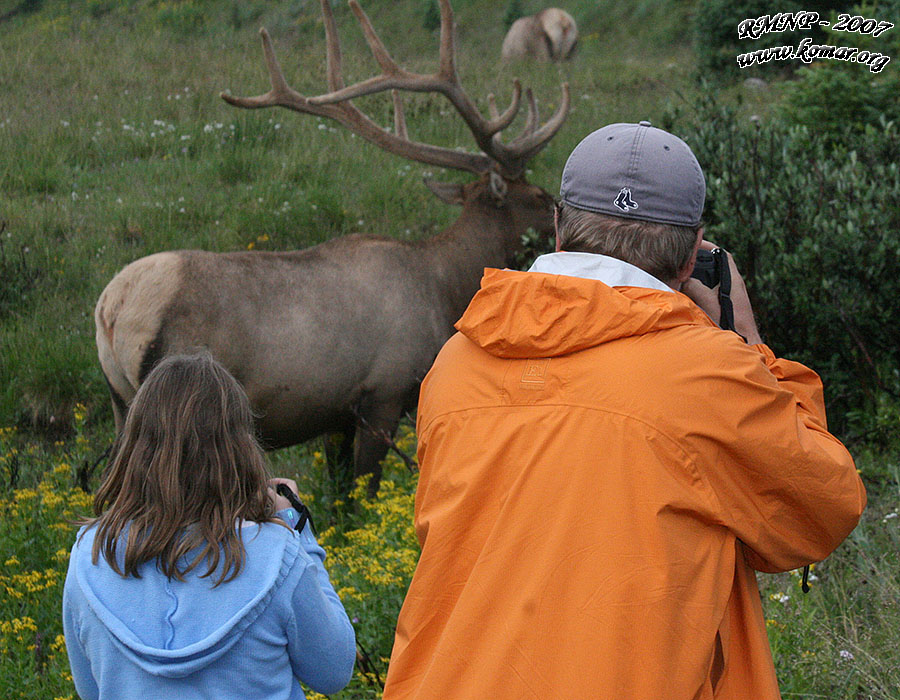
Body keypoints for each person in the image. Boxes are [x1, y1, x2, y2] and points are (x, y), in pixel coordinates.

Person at [381, 122, 866, 699]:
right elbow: (823, 508)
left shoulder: (456, 364)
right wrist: (751, 348)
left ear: (558, 229)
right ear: (691, 256)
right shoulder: (708, 374)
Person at [63, 353, 355, 700]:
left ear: (136, 446)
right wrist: (297, 527)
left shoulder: (91, 554)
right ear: (237, 448)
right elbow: (334, 670)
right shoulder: (278, 555)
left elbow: (90, 688)